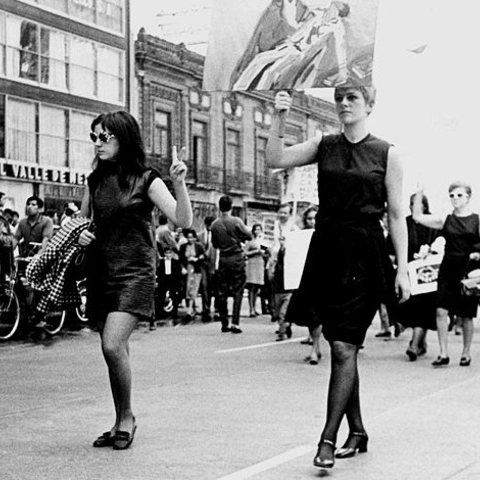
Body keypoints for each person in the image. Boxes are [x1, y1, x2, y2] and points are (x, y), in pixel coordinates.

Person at [266, 86, 410, 470]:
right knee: (339, 344)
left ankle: (327, 438)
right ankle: (358, 429)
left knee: (344, 346)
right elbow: (275, 159)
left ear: (370, 105)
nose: (344, 104)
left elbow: (396, 216)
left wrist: (404, 269)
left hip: (365, 253)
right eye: (340, 98)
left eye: (353, 98)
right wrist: (279, 115)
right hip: (327, 250)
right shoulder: (323, 144)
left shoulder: (387, 153)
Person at [78, 110, 192, 450]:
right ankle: (119, 420)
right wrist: (82, 236)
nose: (98, 143)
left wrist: (180, 183)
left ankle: (127, 417)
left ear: (123, 139)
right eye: (94, 136)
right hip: (102, 270)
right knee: (115, 351)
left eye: (105, 137)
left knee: (112, 344)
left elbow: (181, 219)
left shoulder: (147, 179)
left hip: (135, 272)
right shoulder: (95, 181)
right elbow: (83, 224)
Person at [412, 182, 480, 367]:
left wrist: (477, 254)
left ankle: (466, 353)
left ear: (468, 197)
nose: (455, 199)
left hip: (468, 270)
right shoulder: (446, 220)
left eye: (459, 195)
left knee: (466, 315)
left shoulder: (477, 220)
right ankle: (443, 352)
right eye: (452, 195)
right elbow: (418, 217)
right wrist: (419, 193)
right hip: (448, 267)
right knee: (441, 310)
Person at [210, 195, 252, 333]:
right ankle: (235, 323)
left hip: (223, 259)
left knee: (221, 291)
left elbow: (214, 244)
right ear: (231, 206)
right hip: (236, 258)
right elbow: (249, 235)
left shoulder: (214, 225)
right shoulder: (236, 221)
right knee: (238, 290)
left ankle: (224, 322)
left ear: (219, 207)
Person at [268, 203, 299, 341]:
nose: (282, 215)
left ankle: (284, 327)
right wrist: (270, 266)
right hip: (276, 265)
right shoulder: (273, 227)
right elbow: (270, 247)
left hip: (289, 266)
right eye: (280, 212)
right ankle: (284, 323)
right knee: (277, 301)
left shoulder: (294, 229)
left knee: (287, 300)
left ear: (289, 214)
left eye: (285, 213)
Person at [300, 205, 323, 365]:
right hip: (304, 278)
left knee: (317, 314)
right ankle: (317, 346)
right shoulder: (300, 236)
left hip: (321, 278)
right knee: (309, 315)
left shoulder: (327, 235)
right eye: (309, 218)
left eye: (315, 218)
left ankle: (314, 348)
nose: (312, 221)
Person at [179, 228, 206, 322]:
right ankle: (193, 307)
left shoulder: (199, 246)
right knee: (188, 288)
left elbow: (204, 256)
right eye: (189, 238)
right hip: (187, 270)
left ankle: (190, 309)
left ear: (195, 238)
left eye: (192, 237)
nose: (190, 239)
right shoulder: (183, 247)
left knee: (194, 289)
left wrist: (197, 259)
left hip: (196, 270)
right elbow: (180, 258)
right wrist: (182, 268)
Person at [154, 246, 182, 328]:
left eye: (170, 253)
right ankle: (160, 313)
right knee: (161, 295)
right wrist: (158, 281)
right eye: (167, 253)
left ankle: (174, 313)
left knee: (174, 296)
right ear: (164, 254)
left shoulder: (176, 262)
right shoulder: (161, 262)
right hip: (164, 279)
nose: (168, 254)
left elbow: (178, 273)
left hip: (172, 279)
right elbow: (158, 271)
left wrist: (178, 283)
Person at [198, 215, 217, 322]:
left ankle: (215, 308)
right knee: (205, 287)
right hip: (202, 265)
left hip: (213, 265)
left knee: (213, 288)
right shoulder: (199, 236)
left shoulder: (217, 236)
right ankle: (206, 309)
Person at [244, 223, 265, 317]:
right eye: (256, 229)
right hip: (252, 263)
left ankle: (255, 307)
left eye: (259, 229)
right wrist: (256, 251)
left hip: (260, 263)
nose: (257, 231)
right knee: (252, 287)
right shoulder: (250, 241)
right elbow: (244, 252)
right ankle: (251, 308)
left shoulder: (262, 241)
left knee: (257, 287)